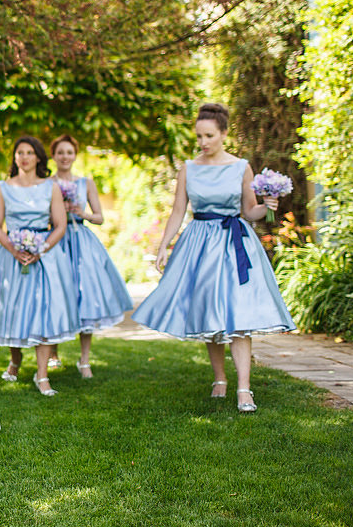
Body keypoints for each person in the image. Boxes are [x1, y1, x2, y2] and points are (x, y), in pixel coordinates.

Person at [131, 103, 295, 412]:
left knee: (240, 317)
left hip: (235, 245)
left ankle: (244, 389)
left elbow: (250, 211)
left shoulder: (240, 167)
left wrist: (269, 206)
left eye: (209, 136)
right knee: (210, 312)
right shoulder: (189, 168)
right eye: (199, 137)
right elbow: (178, 210)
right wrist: (164, 245)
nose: (203, 142)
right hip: (200, 245)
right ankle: (220, 378)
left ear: (223, 133)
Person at [0, 136, 78, 396]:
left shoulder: (50, 187)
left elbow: (60, 225)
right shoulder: (2, 188)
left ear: (38, 157)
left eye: (30, 152)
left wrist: (41, 248)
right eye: (20, 153)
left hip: (44, 257)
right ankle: (15, 361)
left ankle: (42, 375)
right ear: (15, 158)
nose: (25, 157)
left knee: (43, 312)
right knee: (12, 310)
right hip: (11, 258)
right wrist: (15, 250)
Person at [46, 134, 133, 378]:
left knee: (85, 297)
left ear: (75, 155)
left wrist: (80, 212)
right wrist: (57, 212)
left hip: (82, 243)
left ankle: (84, 359)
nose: (65, 157)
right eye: (60, 152)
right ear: (53, 156)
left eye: (69, 152)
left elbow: (100, 217)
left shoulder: (86, 183)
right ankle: (53, 353)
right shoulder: (46, 183)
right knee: (56, 295)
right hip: (56, 241)